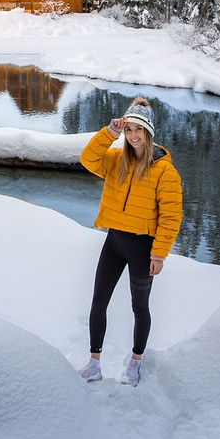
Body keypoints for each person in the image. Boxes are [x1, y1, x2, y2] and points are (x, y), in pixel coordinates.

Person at [78, 96, 182, 387]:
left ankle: (135, 362)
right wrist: (109, 132)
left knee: (140, 307)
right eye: (128, 130)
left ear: (148, 132)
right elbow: (88, 159)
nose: (133, 136)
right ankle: (93, 363)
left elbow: (171, 216)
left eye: (138, 130)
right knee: (98, 302)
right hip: (114, 241)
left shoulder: (165, 171)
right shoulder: (115, 161)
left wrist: (159, 254)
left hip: (142, 248)